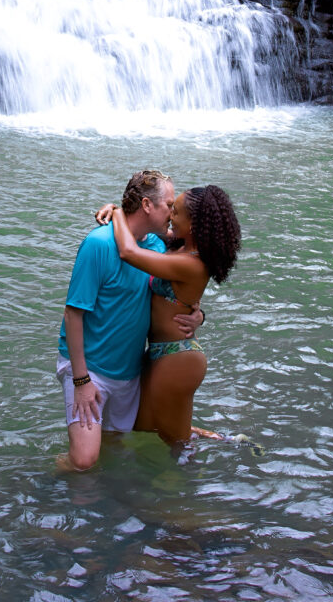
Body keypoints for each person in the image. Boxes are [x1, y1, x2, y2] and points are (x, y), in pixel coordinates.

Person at [56, 170, 202, 472]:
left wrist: (198, 314)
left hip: (129, 372)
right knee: (84, 459)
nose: (173, 214)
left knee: (113, 448)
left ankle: (100, 510)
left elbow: (183, 285)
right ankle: (47, 485)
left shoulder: (159, 247)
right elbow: (73, 314)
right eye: (168, 206)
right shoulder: (98, 244)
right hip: (90, 368)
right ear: (147, 205)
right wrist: (81, 380)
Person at [102, 185, 240, 447]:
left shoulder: (193, 263)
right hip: (160, 353)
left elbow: (128, 251)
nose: (170, 217)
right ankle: (217, 439)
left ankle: (190, 481)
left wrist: (118, 213)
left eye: (176, 212)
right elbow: (147, 231)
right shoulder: (180, 247)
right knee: (142, 428)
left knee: (174, 443)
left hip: (178, 357)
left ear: (195, 224)